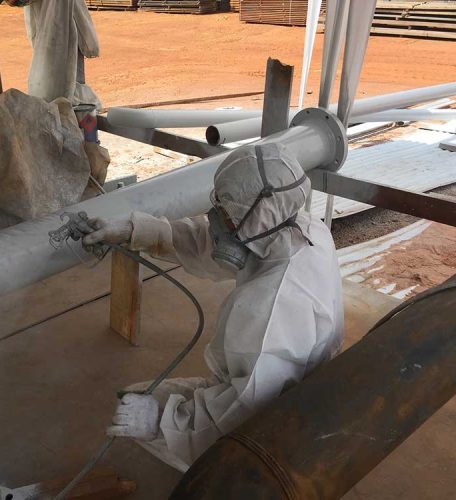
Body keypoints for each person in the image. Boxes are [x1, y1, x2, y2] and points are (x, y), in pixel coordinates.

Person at [81, 142, 344, 472]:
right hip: (292, 381)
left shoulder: (269, 308)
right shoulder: (300, 229)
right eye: (218, 205)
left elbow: (243, 410)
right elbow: (211, 241)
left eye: (226, 214)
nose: (215, 219)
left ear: (255, 219)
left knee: (142, 410)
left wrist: (158, 421)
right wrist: (139, 230)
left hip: (274, 417)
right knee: (139, 395)